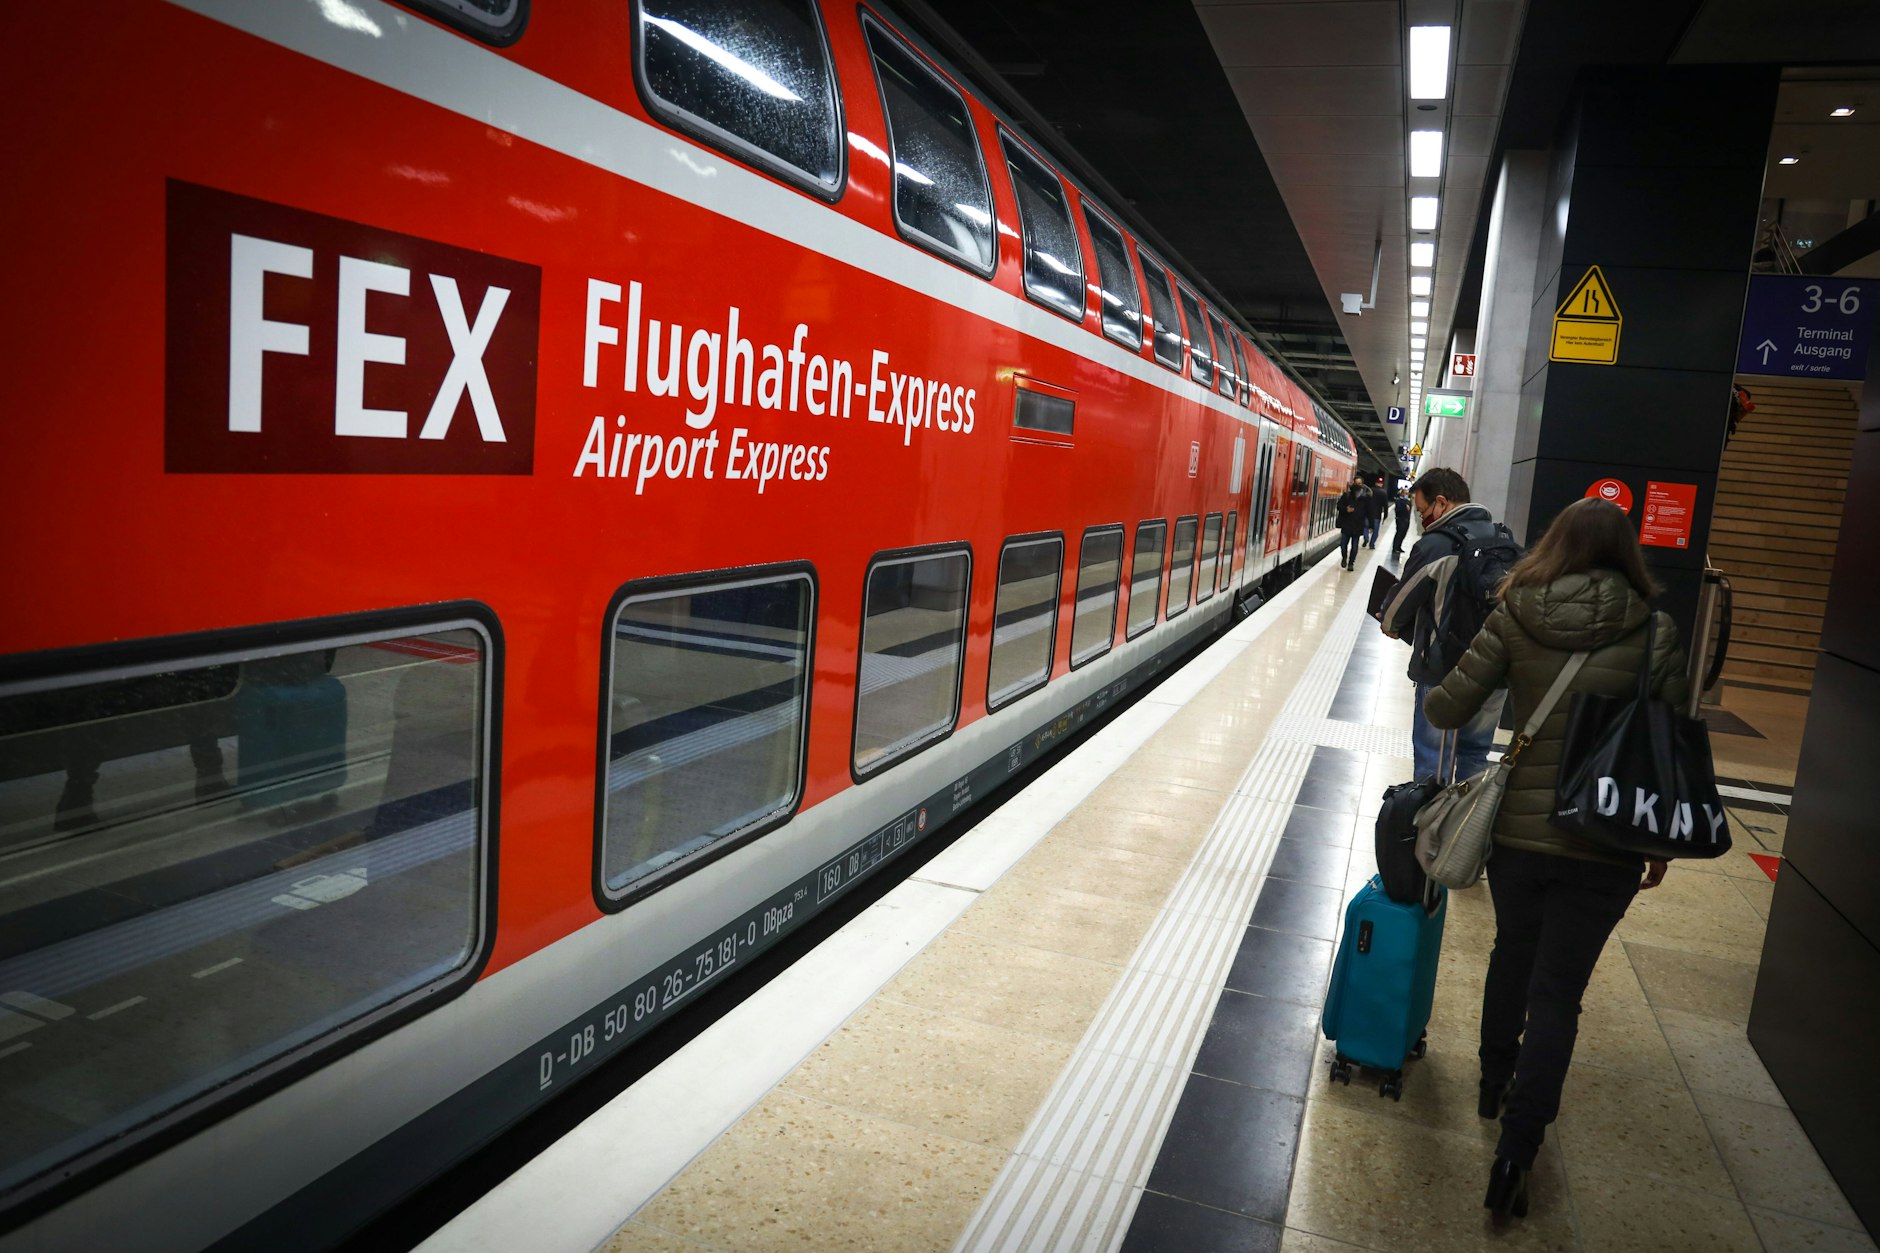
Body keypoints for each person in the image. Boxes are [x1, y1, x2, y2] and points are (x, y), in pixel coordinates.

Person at [1422, 496, 1683, 1222]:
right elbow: (1672, 740)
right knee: (1559, 994)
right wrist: (1658, 843)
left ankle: (1489, 1077)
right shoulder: (1655, 629)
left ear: (1555, 545)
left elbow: (1447, 707)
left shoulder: (1517, 611)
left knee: (1513, 948)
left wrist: (1441, 651)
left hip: (1522, 836)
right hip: (1609, 842)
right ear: (1628, 555)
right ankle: (1516, 1153)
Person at [1376, 467, 1509, 782]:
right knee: (1475, 756)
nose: (1423, 520)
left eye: (1423, 512)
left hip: (1442, 671)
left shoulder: (1435, 546)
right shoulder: (1502, 537)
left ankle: (1428, 827)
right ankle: (1462, 828)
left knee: (1433, 765)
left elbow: (1394, 613)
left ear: (1441, 502)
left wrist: (1392, 623)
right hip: (1495, 671)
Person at [1335, 479, 1368, 570]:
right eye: (1356, 483)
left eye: (1359, 483)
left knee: (1354, 547)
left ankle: (1351, 563)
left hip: (1358, 526)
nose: (1358, 486)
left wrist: (1371, 525)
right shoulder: (1347, 496)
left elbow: (1369, 512)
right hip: (1347, 524)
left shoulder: (1365, 498)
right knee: (1343, 545)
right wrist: (1346, 509)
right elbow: (1339, 506)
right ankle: (1344, 557)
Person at [1362, 474, 1388, 548]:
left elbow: (1365, 501)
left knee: (1366, 527)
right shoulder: (1384, 493)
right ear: (1382, 484)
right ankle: (1372, 544)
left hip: (1368, 513)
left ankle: (1366, 537)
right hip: (1377, 515)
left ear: (1375, 483)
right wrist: (1385, 515)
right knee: (1375, 531)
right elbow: (1385, 505)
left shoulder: (1370, 490)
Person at [1389, 488, 1411, 559]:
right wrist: (1405, 507)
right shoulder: (1399, 501)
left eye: (1407, 493)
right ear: (1402, 493)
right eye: (1405, 493)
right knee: (1399, 533)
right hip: (1400, 519)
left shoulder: (1408, 501)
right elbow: (1397, 510)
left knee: (1403, 533)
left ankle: (1399, 546)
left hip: (1406, 519)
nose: (1407, 495)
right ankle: (1395, 547)